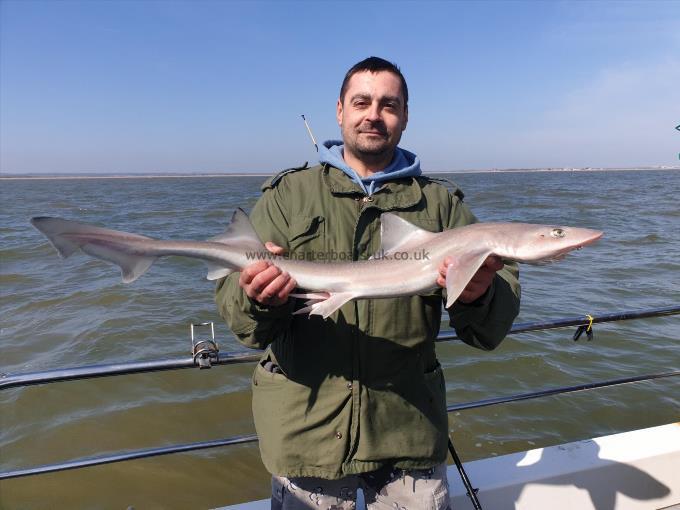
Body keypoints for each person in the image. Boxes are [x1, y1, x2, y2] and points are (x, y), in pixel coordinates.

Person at [216, 56, 520, 509]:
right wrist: (258, 298)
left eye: (389, 105)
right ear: (340, 111)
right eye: (362, 102)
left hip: (408, 430)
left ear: (405, 117)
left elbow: (489, 332)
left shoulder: (440, 205)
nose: (374, 114)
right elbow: (244, 328)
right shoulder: (288, 195)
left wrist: (479, 296)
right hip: (306, 435)